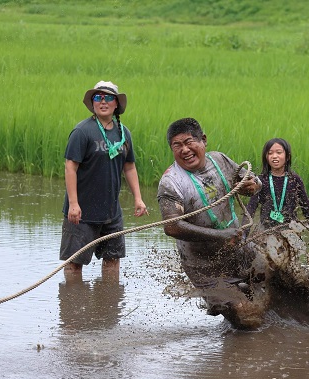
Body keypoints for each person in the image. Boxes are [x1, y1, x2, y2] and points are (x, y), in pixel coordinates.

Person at [157, 117, 262, 319]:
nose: (184, 150)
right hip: (203, 265)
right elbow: (172, 227)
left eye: (189, 142)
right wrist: (220, 236)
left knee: (277, 283)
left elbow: (252, 182)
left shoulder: (220, 160)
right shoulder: (170, 182)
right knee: (245, 316)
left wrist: (253, 185)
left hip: (239, 247)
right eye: (177, 146)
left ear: (203, 140)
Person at [60, 80, 148, 283]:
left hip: (111, 211)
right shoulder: (82, 132)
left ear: (116, 103)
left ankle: (108, 306)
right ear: (92, 103)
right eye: (98, 97)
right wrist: (73, 204)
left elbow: (129, 167)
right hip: (82, 212)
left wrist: (138, 198)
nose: (103, 102)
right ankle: (74, 307)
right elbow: (70, 167)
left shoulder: (124, 133)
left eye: (108, 97)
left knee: (113, 260)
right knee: (74, 264)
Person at [245, 138, 309, 230]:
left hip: (291, 231)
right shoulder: (260, 180)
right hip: (265, 231)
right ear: (266, 157)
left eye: (279, 152)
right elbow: (250, 209)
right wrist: (243, 234)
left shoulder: (294, 180)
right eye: (270, 153)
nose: (274, 156)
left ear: (287, 157)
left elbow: (307, 208)